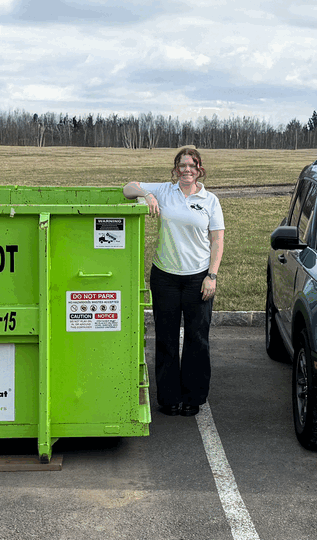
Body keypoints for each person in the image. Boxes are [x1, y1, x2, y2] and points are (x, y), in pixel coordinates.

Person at [123, 147, 225, 417]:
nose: (187, 170)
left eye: (192, 165)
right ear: (175, 168)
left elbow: (217, 241)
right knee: (166, 338)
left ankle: (193, 398)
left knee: (197, 338)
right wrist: (146, 194)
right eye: (182, 165)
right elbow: (127, 188)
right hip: (165, 277)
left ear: (199, 168)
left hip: (198, 278)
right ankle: (168, 398)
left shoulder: (210, 200)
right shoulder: (165, 191)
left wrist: (211, 275)